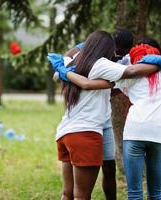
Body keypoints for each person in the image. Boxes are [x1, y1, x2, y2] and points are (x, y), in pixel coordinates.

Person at [51, 35, 161, 199]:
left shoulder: (127, 79)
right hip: (159, 135)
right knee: (158, 193)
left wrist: (68, 71)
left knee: (134, 193)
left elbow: (99, 84)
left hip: (134, 134)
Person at [54, 29, 134, 200]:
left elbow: (59, 75)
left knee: (67, 193)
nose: (117, 53)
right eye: (114, 49)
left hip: (66, 131)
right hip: (86, 132)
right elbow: (130, 73)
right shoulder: (101, 64)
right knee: (82, 196)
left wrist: (106, 85)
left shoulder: (76, 63)